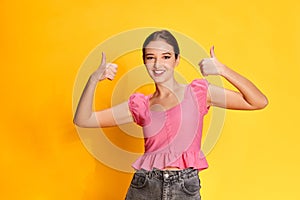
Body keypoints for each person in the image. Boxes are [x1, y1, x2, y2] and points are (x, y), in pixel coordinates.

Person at [73, 30, 268, 200]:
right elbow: (83, 119)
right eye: (151, 57)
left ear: (177, 60)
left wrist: (223, 70)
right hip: (144, 186)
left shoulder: (199, 93)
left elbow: (258, 101)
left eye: (166, 56)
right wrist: (93, 79)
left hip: (184, 187)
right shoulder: (141, 105)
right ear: (144, 61)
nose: (158, 64)